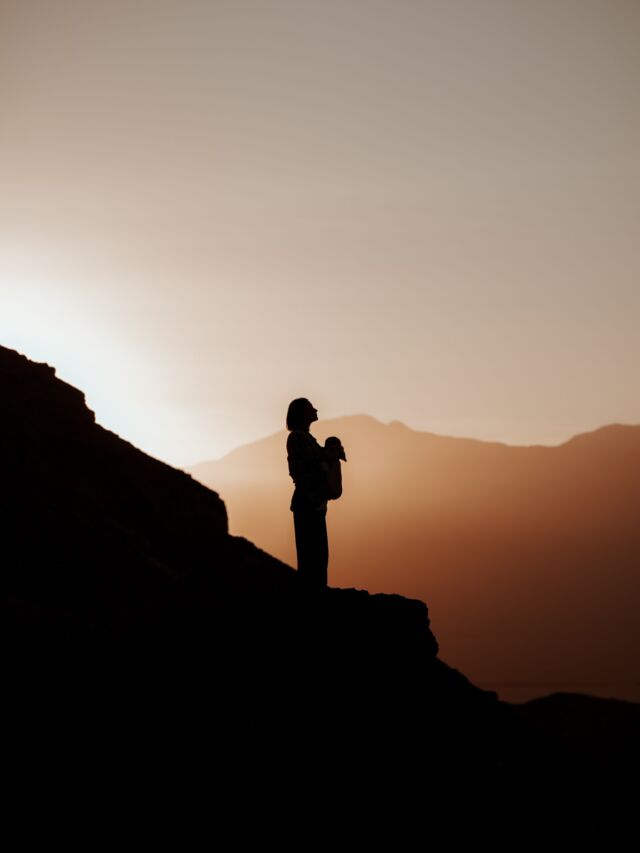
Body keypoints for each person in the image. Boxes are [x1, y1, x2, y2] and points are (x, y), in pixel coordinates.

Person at [286, 398, 342, 590]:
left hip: (313, 503)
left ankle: (315, 594)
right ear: (301, 414)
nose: (315, 410)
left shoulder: (307, 439)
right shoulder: (297, 438)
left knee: (319, 555)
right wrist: (329, 454)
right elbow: (312, 460)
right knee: (312, 555)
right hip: (307, 503)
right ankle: (312, 600)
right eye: (310, 408)